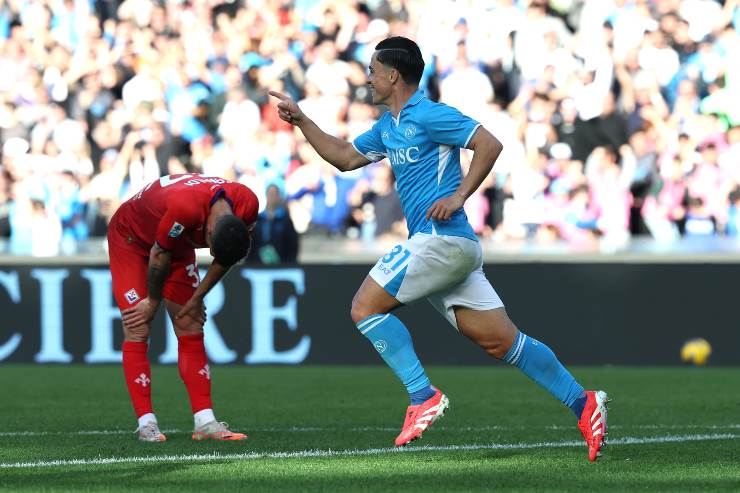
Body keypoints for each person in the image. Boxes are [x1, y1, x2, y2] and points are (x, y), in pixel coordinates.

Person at [270, 36, 609, 462]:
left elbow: (490, 144)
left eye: (373, 71)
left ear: (393, 75)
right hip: (451, 247)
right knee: (502, 342)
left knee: (364, 308)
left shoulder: (430, 114)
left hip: (440, 239)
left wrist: (461, 195)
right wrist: (301, 120)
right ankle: (584, 404)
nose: (368, 79)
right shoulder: (387, 127)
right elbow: (343, 157)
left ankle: (422, 395)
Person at [107, 173, 258, 442]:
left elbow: (228, 256)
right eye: (211, 248)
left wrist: (197, 297)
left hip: (175, 241)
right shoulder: (185, 207)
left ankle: (205, 422)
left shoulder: (247, 203)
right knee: (138, 324)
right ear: (209, 231)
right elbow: (158, 254)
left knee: (189, 321)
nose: (211, 254)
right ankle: (146, 424)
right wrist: (152, 300)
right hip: (131, 238)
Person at [248, 183, 299, 264]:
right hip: (258, 264)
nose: (272, 197)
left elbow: (292, 244)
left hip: (281, 263)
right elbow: (251, 243)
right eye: (270, 194)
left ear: (279, 197)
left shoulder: (285, 220)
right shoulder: (258, 219)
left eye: (275, 194)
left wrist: (289, 263)